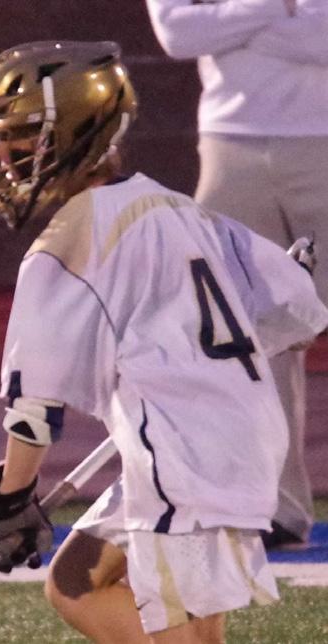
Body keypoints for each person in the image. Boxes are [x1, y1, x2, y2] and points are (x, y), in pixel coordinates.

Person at [0, 41, 328, 643]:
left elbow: (34, 408)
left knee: (180, 633)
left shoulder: (67, 243)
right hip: (226, 440)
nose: (0, 151)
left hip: (186, 455)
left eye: (18, 132)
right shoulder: (176, 207)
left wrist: (9, 496)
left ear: (74, 129)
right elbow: (297, 307)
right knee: (76, 581)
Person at [145, 0, 328, 548]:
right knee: (244, 333)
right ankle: (273, 507)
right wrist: (278, 9)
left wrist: (233, 28)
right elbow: (177, 34)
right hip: (229, 144)